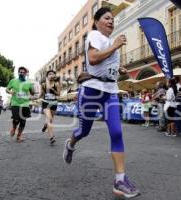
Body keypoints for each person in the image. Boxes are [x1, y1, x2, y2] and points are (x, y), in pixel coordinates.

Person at [62, 7, 140, 198]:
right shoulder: (95, 35)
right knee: (84, 131)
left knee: (116, 131)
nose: (111, 21)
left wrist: (118, 68)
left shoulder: (108, 42)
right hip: (91, 90)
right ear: (96, 21)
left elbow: (105, 64)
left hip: (110, 91)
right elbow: (94, 58)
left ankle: (120, 180)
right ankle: (70, 144)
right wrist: (114, 46)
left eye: (113, 19)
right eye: (107, 18)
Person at [6, 66, 34, 142]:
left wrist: (32, 89)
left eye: (23, 72)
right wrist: (10, 92)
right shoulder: (13, 81)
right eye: (20, 72)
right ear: (18, 73)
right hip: (15, 103)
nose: (21, 73)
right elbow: (7, 89)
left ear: (25, 74)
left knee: (23, 121)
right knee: (16, 119)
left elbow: (32, 92)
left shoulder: (28, 83)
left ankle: (19, 136)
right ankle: (14, 128)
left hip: (25, 104)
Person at [40, 70, 61, 145]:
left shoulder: (57, 84)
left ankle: (45, 125)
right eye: (50, 74)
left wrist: (53, 90)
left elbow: (58, 94)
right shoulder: (43, 84)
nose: (51, 75)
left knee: (50, 119)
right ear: (47, 76)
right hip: (45, 103)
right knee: (50, 119)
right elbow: (41, 94)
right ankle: (51, 137)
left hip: (54, 103)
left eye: (53, 74)